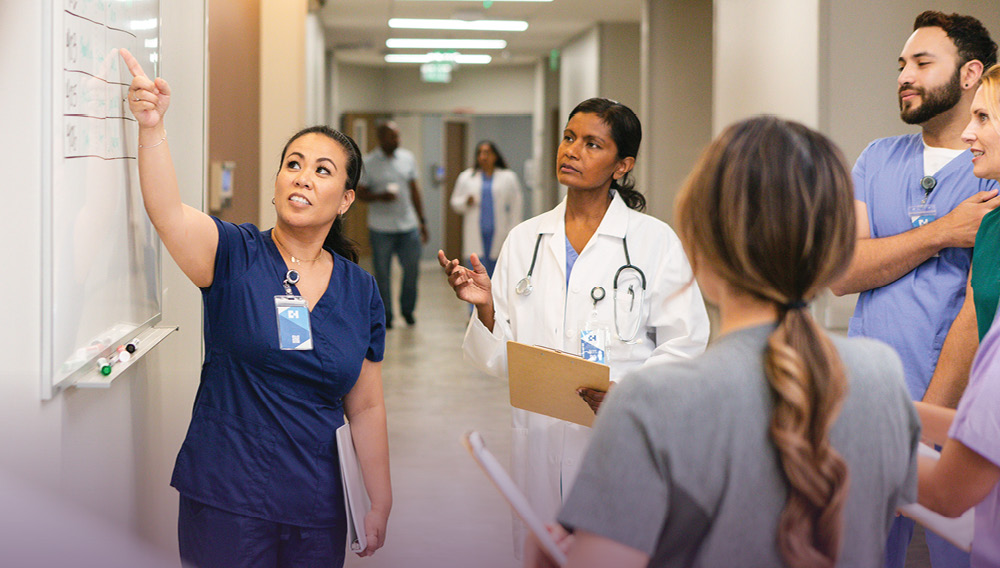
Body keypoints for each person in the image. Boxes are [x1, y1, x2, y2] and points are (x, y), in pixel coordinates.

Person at [526, 115, 921, 568]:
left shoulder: (651, 402)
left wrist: (546, 555)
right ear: (834, 248)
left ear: (700, 246)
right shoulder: (882, 376)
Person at [120, 49, 391, 568]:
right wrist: (151, 127)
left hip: (318, 503)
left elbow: (367, 407)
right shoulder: (234, 254)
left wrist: (380, 497)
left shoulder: (360, 291)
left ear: (346, 199)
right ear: (276, 184)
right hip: (227, 499)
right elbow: (168, 213)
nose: (302, 177)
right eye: (293, 164)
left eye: (322, 170)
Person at [438, 98, 710, 559]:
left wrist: (629, 394)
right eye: (569, 138)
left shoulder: (654, 241)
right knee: (542, 552)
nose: (572, 150)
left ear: (622, 165)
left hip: (620, 435)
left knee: (610, 555)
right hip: (540, 434)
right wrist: (485, 309)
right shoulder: (526, 239)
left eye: (592, 144)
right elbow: (501, 357)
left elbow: (686, 342)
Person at [828, 12, 998, 567]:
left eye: (923, 62)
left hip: (959, 412)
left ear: (971, 72)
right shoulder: (876, 159)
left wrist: (924, 425)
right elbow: (843, 271)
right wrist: (945, 232)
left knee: (965, 554)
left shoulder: (991, 171)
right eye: (902, 64)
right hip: (868, 405)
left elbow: (977, 310)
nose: (905, 75)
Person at [914, 63, 1000, 568]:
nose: (967, 132)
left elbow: (948, 493)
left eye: (984, 117)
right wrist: (903, 418)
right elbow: (972, 327)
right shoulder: (990, 226)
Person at [356, 121, 429, 329]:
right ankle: (386, 315)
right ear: (380, 138)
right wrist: (380, 196)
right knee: (382, 274)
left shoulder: (407, 158)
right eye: (392, 137)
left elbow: (414, 190)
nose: (396, 140)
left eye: (398, 136)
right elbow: (360, 193)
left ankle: (408, 310)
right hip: (381, 228)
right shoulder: (368, 162)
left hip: (408, 225)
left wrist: (422, 221)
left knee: (412, 270)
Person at [450, 140, 523, 277]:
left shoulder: (508, 177)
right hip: (476, 233)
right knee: (475, 273)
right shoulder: (466, 177)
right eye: (480, 153)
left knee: (499, 275)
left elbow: (516, 205)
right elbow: (455, 203)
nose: (483, 157)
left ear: (495, 156)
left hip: (500, 232)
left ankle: (494, 299)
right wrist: (466, 201)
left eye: (487, 153)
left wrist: (513, 229)